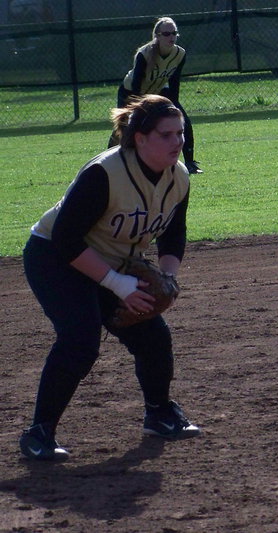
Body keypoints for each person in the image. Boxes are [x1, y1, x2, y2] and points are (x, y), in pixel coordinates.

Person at [19, 94, 201, 462]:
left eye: (180, 133)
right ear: (140, 138)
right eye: (166, 135)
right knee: (80, 340)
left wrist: (166, 277)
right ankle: (38, 433)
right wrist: (119, 286)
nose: (177, 142)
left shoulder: (177, 178)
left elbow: (173, 232)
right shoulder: (105, 173)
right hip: (55, 258)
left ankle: (159, 413)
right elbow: (66, 240)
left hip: (112, 261)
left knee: (153, 334)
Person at [109, 16, 203, 174]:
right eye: (166, 34)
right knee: (126, 127)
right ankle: (111, 160)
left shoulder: (179, 54)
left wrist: (173, 107)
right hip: (131, 92)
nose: (171, 37)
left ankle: (190, 163)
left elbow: (174, 84)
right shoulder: (144, 54)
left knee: (183, 120)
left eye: (174, 33)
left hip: (156, 92)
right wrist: (138, 109)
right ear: (157, 36)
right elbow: (136, 85)